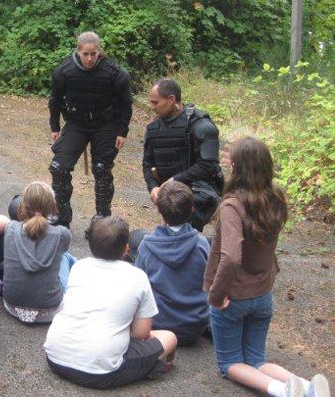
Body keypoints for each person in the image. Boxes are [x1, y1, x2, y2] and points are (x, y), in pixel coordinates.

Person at [204, 137, 330, 397]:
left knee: (230, 364)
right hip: (263, 295)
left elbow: (230, 257)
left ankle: (283, 391)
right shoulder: (277, 198)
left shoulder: (232, 205)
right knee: (256, 360)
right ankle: (308, 387)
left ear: (237, 167)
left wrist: (216, 295)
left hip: (234, 297)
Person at [44, 216, 177, 390]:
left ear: (90, 246)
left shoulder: (79, 267)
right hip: (102, 372)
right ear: (126, 249)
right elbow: (140, 334)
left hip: (55, 358)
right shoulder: (137, 277)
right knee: (169, 337)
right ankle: (152, 368)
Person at [48, 31, 133, 227]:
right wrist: (55, 126)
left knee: (102, 169)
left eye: (93, 54)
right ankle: (61, 216)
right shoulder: (63, 71)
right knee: (58, 168)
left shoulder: (114, 73)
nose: (89, 58)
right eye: (85, 54)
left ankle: (102, 219)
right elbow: (55, 100)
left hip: (105, 124)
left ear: (99, 51)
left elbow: (125, 103)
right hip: (77, 123)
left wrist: (122, 131)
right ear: (78, 51)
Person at [133, 180, 210, 345]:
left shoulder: (147, 246)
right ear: (192, 209)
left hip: (158, 326)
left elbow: (137, 286)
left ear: (159, 209)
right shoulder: (201, 244)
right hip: (195, 327)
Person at [143, 78, 224, 232]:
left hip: (202, 190)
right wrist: (153, 187)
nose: (152, 107)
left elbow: (209, 164)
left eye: (156, 103)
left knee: (183, 230)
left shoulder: (202, 126)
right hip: (172, 193)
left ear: (171, 100)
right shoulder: (153, 129)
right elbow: (147, 164)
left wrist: (174, 180)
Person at [3, 181, 74, 324]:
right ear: (52, 207)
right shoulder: (62, 234)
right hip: (50, 311)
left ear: (22, 206)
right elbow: (63, 250)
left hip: (11, 306)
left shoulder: (10, 228)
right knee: (66, 257)